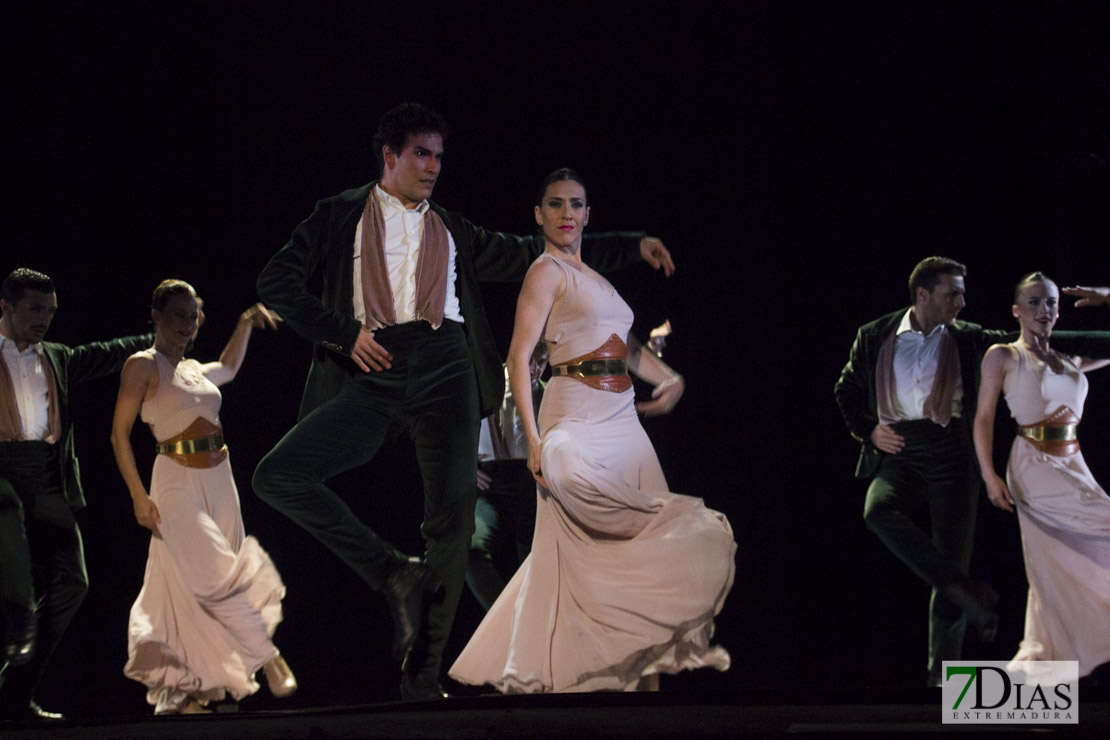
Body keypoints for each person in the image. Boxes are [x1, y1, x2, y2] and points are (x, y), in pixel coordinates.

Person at [252, 103, 674, 701]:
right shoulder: (339, 214)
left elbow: (539, 249)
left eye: (439, 157)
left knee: (450, 525)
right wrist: (342, 333)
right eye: (420, 154)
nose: (432, 167)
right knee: (278, 476)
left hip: (447, 366)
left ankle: (421, 676)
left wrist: (631, 246)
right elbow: (275, 282)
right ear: (390, 156)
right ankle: (393, 571)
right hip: (375, 364)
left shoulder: (453, 227)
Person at [449, 168, 735, 693]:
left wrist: (669, 378)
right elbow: (517, 355)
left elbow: (622, 347)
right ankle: (576, 680)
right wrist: (533, 442)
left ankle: (642, 696)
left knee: (644, 548)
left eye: (575, 205)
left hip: (624, 420)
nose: (566, 215)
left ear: (587, 214)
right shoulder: (545, 271)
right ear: (539, 215)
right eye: (554, 205)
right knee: (586, 515)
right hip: (575, 411)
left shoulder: (597, 279)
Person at [833, 257, 1110, 686]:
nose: (962, 301)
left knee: (950, 563)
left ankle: (940, 685)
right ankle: (968, 591)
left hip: (951, 457)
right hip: (901, 451)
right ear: (922, 296)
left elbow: (1067, 340)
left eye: (962, 292)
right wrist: (868, 429)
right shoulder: (875, 335)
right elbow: (846, 389)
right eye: (952, 293)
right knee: (877, 512)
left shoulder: (973, 339)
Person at [110, 280, 294, 715]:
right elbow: (119, 434)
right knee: (217, 568)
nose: (187, 325)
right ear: (156, 316)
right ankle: (267, 657)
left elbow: (228, 368)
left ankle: (193, 693)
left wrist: (247, 321)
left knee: (195, 585)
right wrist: (138, 495)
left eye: (193, 317)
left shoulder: (194, 369)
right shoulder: (143, 365)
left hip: (219, 478)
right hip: (173, 481)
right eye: (178, 315)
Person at [0, 268, 152, 722]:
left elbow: (107, 354)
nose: (44, 319)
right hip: (2, 476)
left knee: (73, 581)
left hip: (47, 478)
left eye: (50, 311)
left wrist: (160, 336)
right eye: (34, 309)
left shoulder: (58, 357)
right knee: (16, 590)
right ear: (5, 307)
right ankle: (18, 616)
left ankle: (13, 695)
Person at [973, 275, 1110, 684]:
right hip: (1033, 466)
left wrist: (1106, 298)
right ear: (1016, 310)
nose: (1044, 311)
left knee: (1051, 569)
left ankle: (1037, 665)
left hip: (1074, 464)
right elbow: (983, 418)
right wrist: (989, 475)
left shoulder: (1072, 359)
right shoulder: (1004, 355)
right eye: (1033, 303)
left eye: (1050, 303)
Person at [466, 342, 547, 611]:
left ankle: (532, 626)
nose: (535, 369)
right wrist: (465, 467)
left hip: (533, 488)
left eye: (542, 362)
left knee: (536, 568)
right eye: (530, 360)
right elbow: (447, 429)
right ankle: (504, 621)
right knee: (469, 549)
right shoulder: (485, 385)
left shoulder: (549, 395)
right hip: (492, 483)